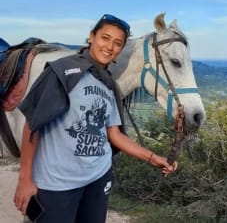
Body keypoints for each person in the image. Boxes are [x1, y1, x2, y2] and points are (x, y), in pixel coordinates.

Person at [13, 14, 178, 223]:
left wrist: (154, 158)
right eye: (105, 38)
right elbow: (33, 124)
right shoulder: (63, 71)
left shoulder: (108, 84)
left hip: (97, 179)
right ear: (92, 37)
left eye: (118, 43)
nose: (110, 47)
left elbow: (114, 134)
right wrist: (25, 179)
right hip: (56, 185)